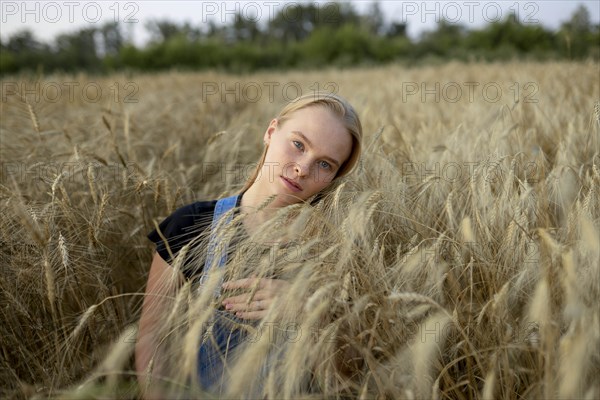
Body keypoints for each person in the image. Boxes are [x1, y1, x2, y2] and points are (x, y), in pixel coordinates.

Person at [135, 92, 363, 397]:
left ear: (334, 177)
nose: (303, 168)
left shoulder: (335, 250)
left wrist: (310, 315)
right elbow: (152, 334)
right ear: (270, 133)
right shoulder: (191, 226)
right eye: (298, 144)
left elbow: (349, 374)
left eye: (325, 163)